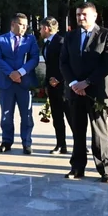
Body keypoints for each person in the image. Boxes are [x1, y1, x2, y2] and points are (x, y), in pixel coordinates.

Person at [61, 2, 108, 182]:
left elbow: (107, 64)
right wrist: (75, 84)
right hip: (75, 91)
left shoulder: (106, 34)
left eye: (84, 14)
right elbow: (64, 63)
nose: (80, 18)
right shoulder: (70, 37)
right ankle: (77, 167)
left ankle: (105, 169)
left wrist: (87, 82)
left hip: (97, 92)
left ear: (94, 16)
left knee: (99, 132)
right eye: (78, 15)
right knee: (78, 131)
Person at [0, 13, 39, 154]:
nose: (24, 28)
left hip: (23, 83)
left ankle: (26, 142)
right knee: (6, 115)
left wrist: (20, 72)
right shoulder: (0, 40)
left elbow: (34, 59)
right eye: (21, 24)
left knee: (26, 115)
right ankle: (6, 141)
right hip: (6, 83)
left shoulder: (30, 40)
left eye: (26, 25)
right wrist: (11, 74)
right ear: (13, 24)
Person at [40, 18, 68, 155]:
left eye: (40, 28)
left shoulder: (61, 42)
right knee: (57, 117)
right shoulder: (46, 44)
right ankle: (61, 144)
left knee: (70, 116)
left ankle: (80, 144)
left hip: (63, 86)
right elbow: (49, 66)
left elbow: (66, 64)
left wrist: (60, 79)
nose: (39, 31)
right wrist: (47, 83)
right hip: (52, 86)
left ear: (46, 28)